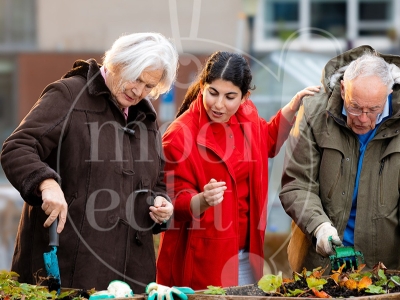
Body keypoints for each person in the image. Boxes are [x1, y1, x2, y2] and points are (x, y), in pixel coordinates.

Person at [1, 32, 177, 293]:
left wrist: (161, 203)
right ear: (118, 63)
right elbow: (18, 146)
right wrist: (46, 183)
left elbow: (157, 180)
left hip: (132, 277)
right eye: (136, 79)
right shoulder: (69, 95)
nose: (139, 91)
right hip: (71, 269)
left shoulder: (145, 119)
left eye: (149, 86)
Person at [156, 51, 320, 290]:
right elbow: (172, 203)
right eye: (212, 93)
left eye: (230, 96)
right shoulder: (179, 136)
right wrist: (202, 199)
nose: (219, 104)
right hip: (202, 260)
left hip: (246, 251)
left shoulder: (248, 115)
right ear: (202, 86)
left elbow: (267, 142)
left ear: (245, 97)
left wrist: (292, 107)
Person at [279, 45, 400, 273]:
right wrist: (320, 228)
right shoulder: (314, 113)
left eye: (373, 109)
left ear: (389, 92)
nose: (363, 118)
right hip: (319, 265)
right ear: (344, 89)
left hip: (383, 268)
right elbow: (297, 184)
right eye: (354, 107)